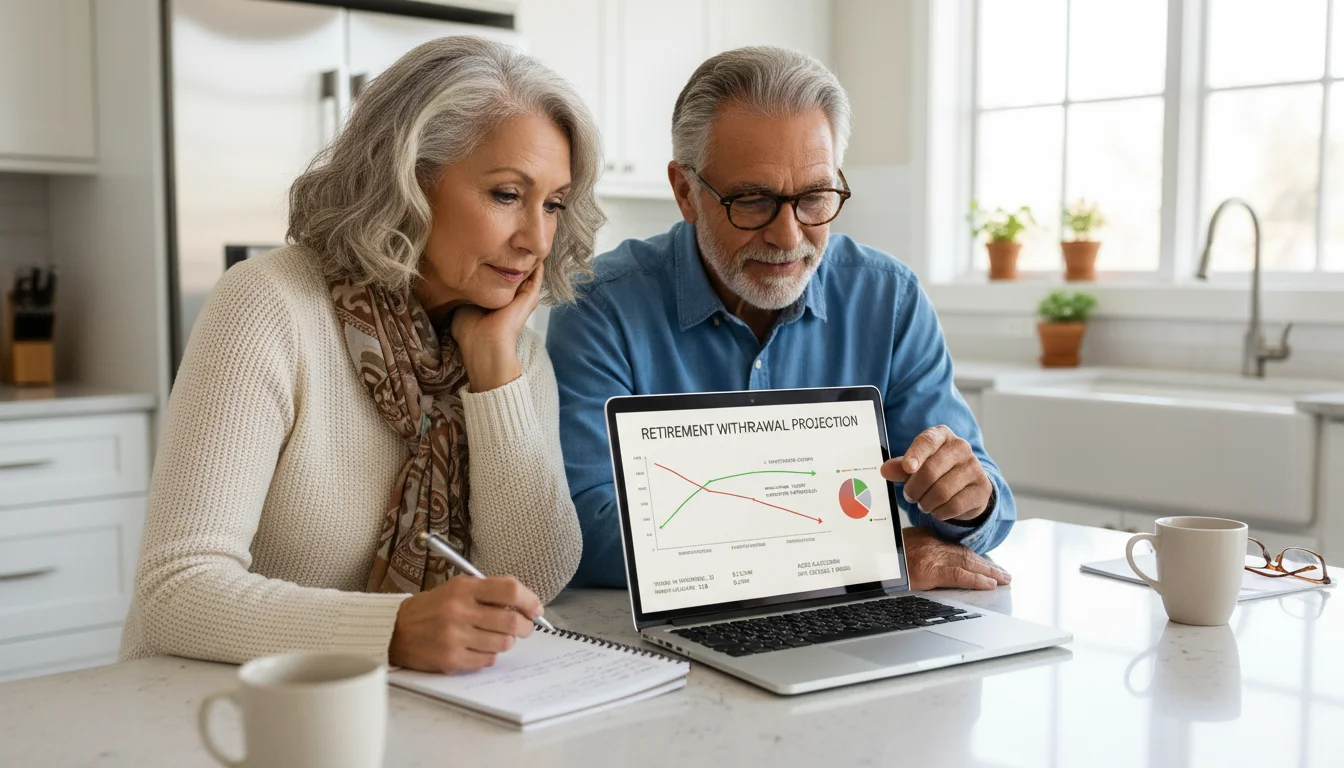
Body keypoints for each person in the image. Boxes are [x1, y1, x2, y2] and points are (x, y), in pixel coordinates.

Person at [122, 37, 605, 673]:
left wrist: (493, 372)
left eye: (554, 204)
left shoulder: (512, 351)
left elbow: (530, 581)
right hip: (231, 711)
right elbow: (175, 592)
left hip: (413, 712)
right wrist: (392, 629)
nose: (538, 240)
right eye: (507, 195)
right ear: (409, 178)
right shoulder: (270, 306)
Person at [547, 46, 1014, 591]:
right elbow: (584, 530)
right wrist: (856, 552)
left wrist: (966, 499)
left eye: (815, 198)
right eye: (752, 201)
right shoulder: (600, 306)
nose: (788, 237)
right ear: (685, 192)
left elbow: (985, 504)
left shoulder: (890, 300)